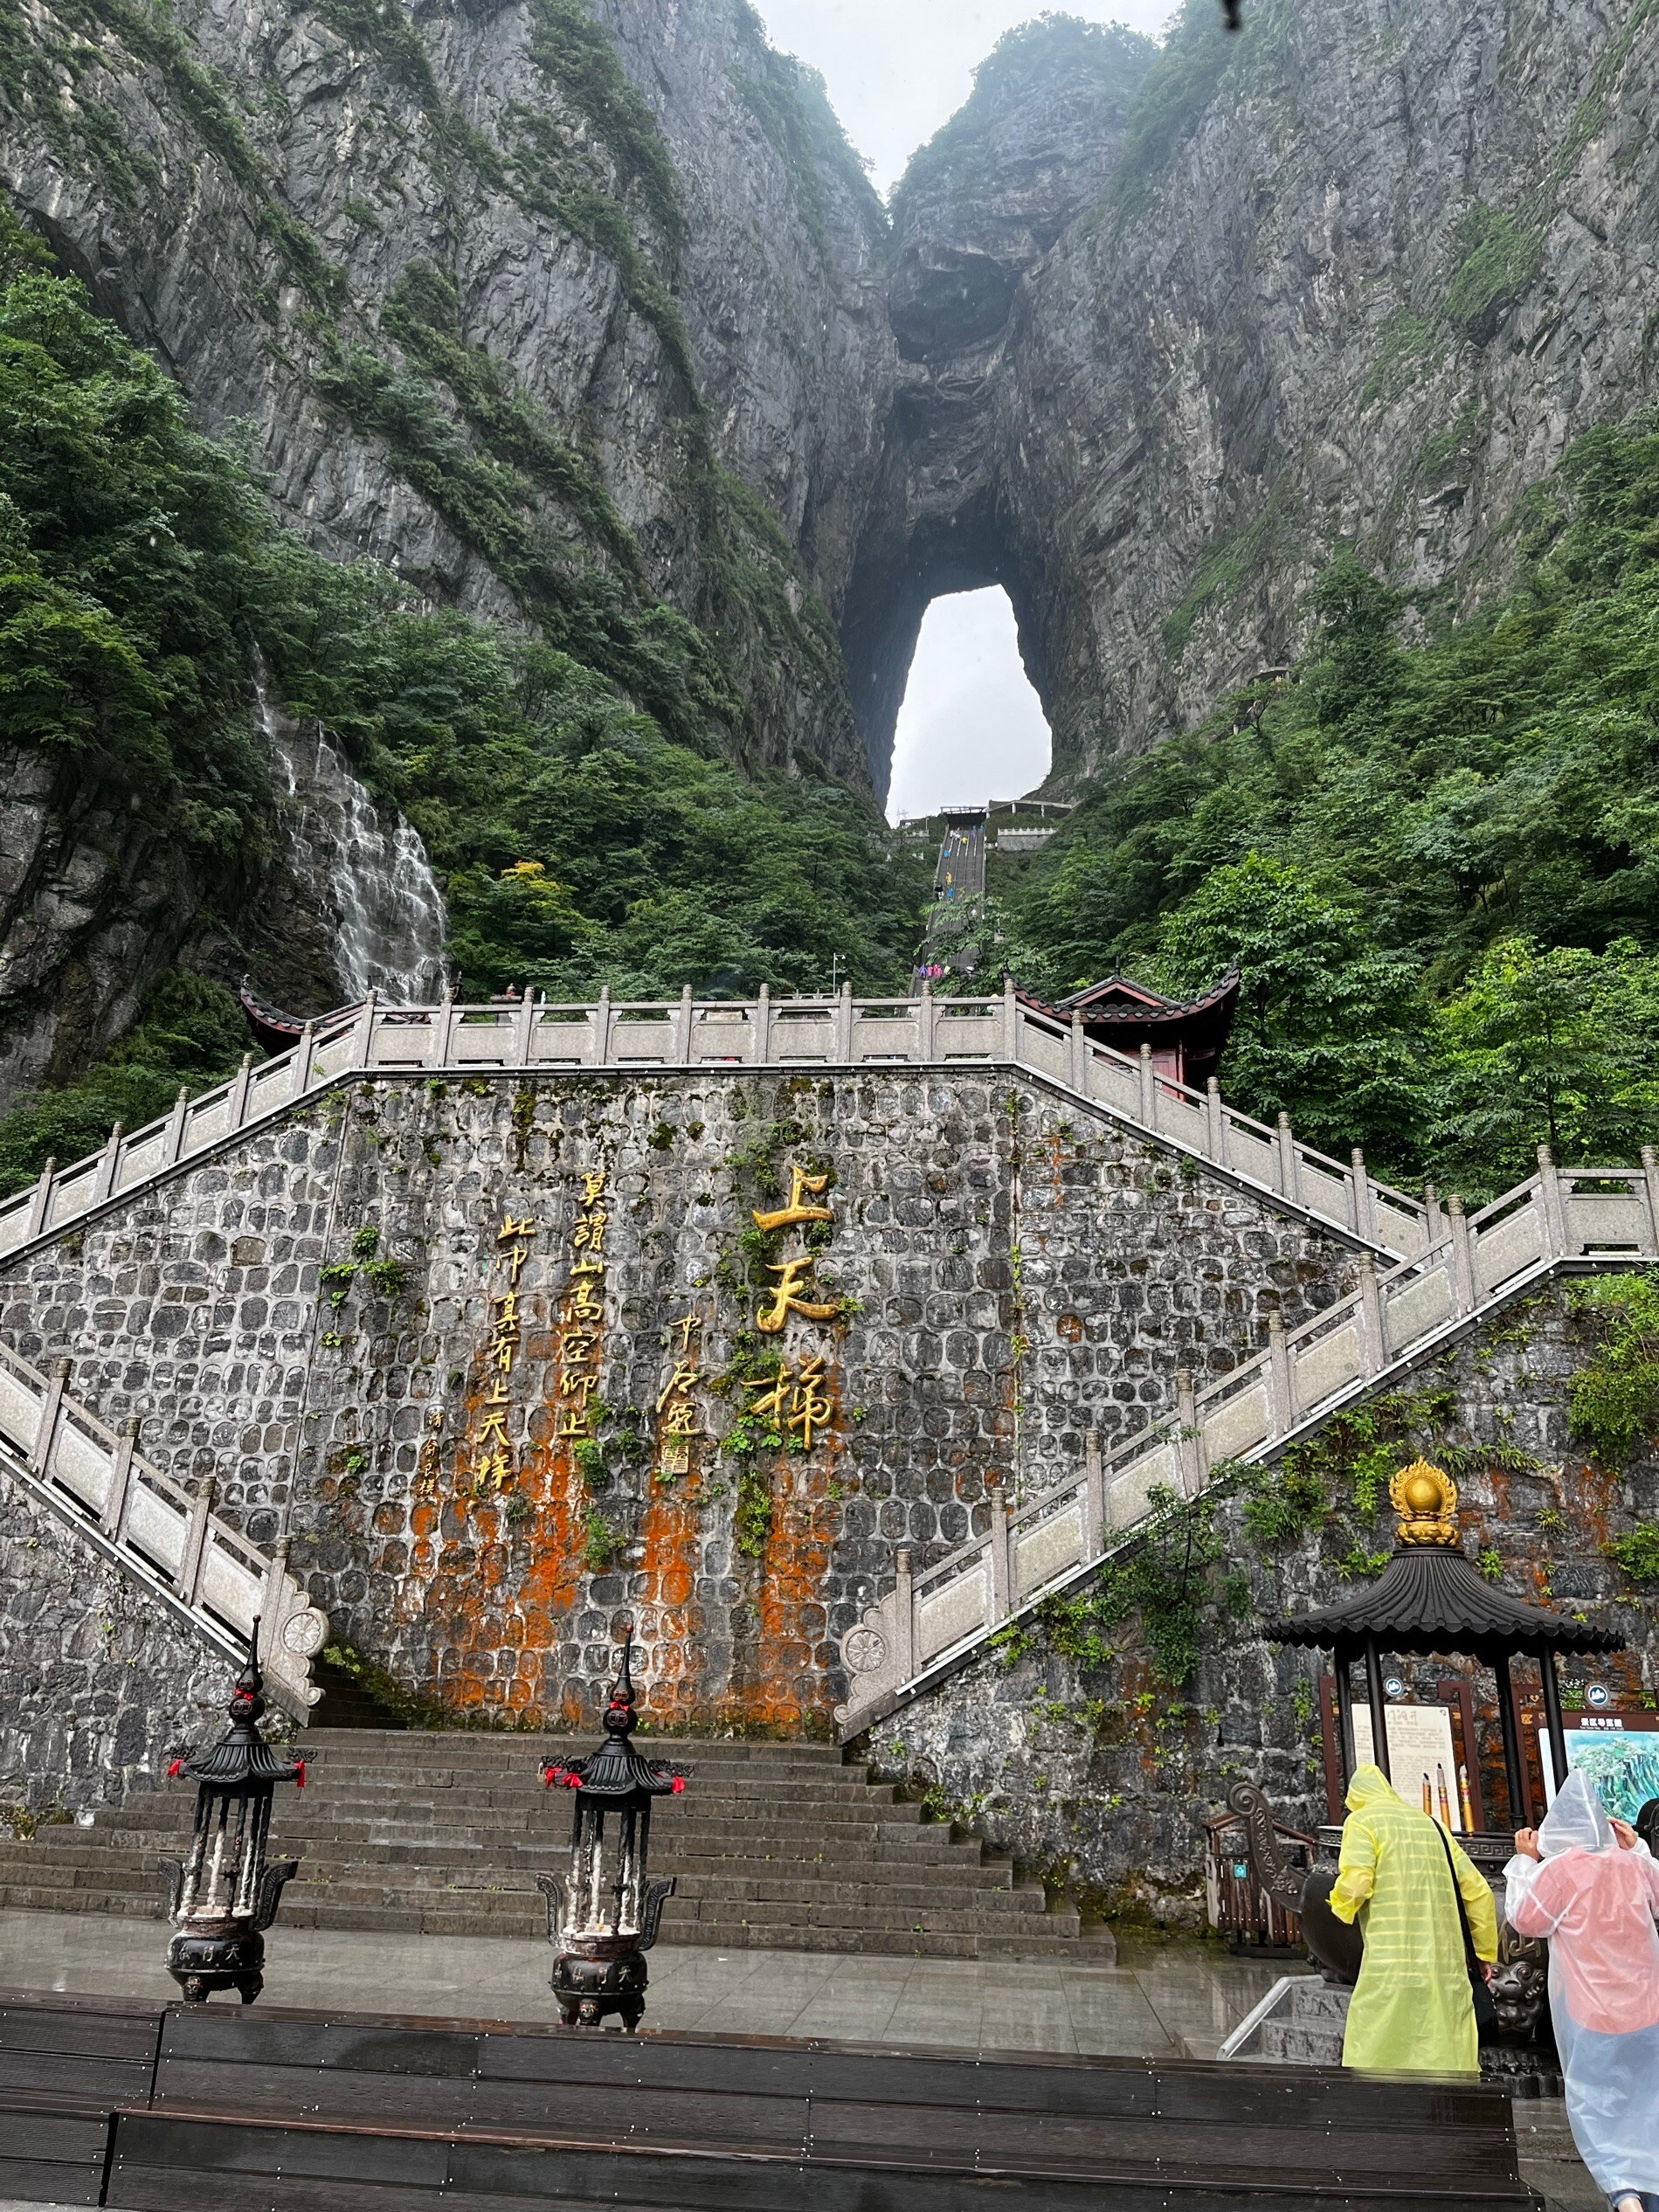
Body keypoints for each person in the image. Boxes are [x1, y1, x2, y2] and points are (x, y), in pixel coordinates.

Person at [1505, 1770, 1659, 2212]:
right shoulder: (1635, 1866)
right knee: (1646, 2102)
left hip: (1592, 2013)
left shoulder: (1560, 1871)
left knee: (1596, 2103)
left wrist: (1525, 1861)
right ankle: (1646, 2185)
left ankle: (1623, 2193)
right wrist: (1640, 1848)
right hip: (1647, 2010)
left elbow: (1524, 1919)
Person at [1327, 1762, 1497, 2073]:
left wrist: (1339, 1906)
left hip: (1391, 1960)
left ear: (1356, 1798)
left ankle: (1385, 2110)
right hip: (1444, 1964)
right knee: (1443, 2041)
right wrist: (1484, 1953)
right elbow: (1478, 1891)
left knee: (1378, 2041)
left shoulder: (1362, 1821)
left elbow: (1357, 1884)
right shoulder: (1433, 1825)